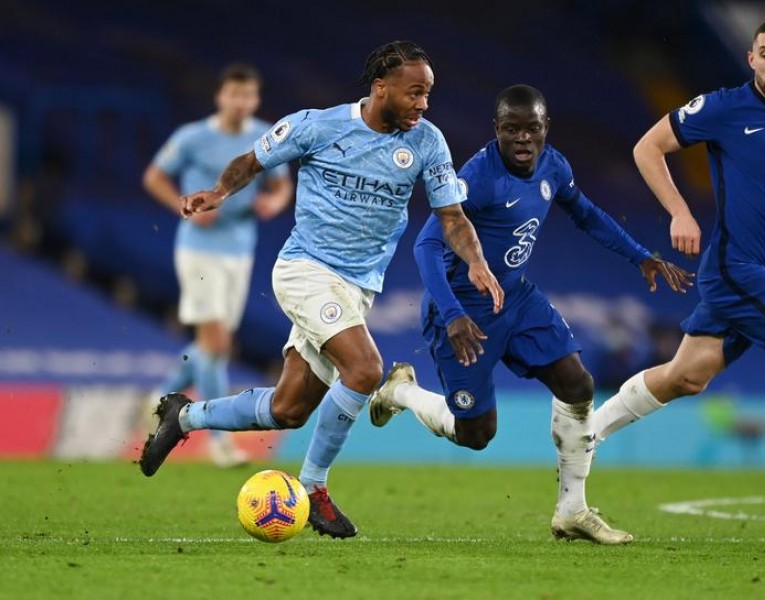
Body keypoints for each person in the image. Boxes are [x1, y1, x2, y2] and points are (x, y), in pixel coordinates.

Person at [139, 41, 504, 539]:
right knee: (366, 369)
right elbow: (252, 160)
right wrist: (220, 193)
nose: (423, 104)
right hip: (304, 270)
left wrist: (477, 261)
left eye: (428, 94)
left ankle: (185, 415)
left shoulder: (427, 143)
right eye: (415, 92)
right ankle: (312, 489)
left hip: (357, 289)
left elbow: (452, 217)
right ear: (381, 88)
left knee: (289, 408)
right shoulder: (317, 125)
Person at [368, 84, 692, 544]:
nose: (523, 139)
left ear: (545, 129)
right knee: (476, 434)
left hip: (517, 299)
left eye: (532, 129)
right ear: (495, 130)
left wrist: (641, 256)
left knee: (577, 383)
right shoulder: (476, 179)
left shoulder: (555, 166)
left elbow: (587, 214)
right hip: (463, 312)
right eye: (511, 129)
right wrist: (454, 313)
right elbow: (426, 245)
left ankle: (572, 510)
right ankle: (402, 392)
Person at [592, 18, 765, 516]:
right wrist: (679, 211)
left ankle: (583, 434)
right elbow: (647, 147)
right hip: (736, 267)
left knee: (686, 377)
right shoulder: (724, 107)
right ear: (751, 58)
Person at [142, 63, 293, 468]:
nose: (241, 102)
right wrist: (180, 206)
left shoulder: (264, 138)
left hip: (240, 251)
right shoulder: (193, 137)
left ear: (256, 99)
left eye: (249, 95)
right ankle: (218, 442)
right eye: (234, 94)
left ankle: (160, 396)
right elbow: (155, 176)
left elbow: (282, 186)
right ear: (220, 96)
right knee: (218, 343)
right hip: (199, 249)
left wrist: (273, 202)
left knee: (214, 343)